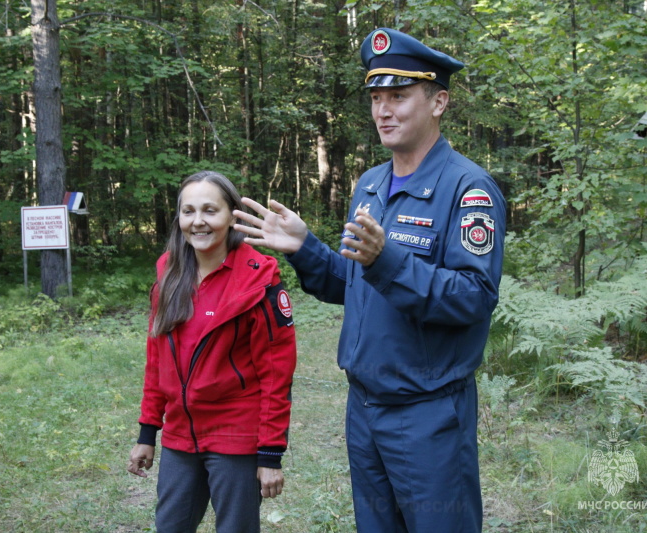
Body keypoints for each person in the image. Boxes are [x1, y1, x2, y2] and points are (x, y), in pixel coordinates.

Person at [233, 28, 505, 533]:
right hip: (363, 408)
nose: (384, 110)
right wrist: (305, 247)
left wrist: (388, 262)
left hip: (428, 414)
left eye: (399, 96)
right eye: (377, 98)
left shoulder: (469, 189)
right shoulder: (371, 185)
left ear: (439, 101)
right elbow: (353, 284)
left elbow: (473, 297)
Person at [127, 171, 297, 533]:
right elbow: (156, 363)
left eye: (210, 210)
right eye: (188, 211)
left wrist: (269, 454)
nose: (198, 221)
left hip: (235, 438)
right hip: (179, 437)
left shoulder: (258, 281)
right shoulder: (169, 276)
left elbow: (276, 376)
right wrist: (147, 432)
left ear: (232, 216)